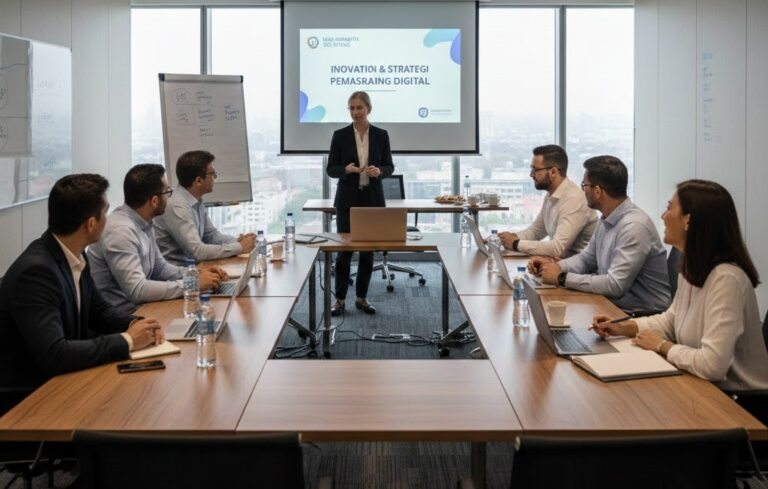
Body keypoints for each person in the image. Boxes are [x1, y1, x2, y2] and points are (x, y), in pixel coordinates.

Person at [592, 180, 768, 391]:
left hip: (738, 401)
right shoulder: (693, 266)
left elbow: (712, 365)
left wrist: (662, 345)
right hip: (703, 386)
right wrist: (623, 328)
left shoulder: (727, 279)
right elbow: (670, 321)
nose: (662, 216)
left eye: (669, 208)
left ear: (688, 221)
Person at [0, 174, 162, 394]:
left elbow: (99, 311)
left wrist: (137, 323)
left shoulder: (74, 252)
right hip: (31, 395)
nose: (109, 218)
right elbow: (55, 354)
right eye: (106, 212)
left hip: (67, 378)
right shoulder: (36, 272)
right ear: (91, 224)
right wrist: (128, 340)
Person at [529, 156, 670, 315]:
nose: (583, 191)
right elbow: (586, 259)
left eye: (584, 185)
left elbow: (615, 285)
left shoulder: (634, 226)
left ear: (597, 191)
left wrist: (561, 277)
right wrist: (554, 267)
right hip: (613, 307)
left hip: (641, 316)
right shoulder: (606, 219)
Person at [89, 164, 226, 315]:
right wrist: (192, 284)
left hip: (143, 309)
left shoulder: (144, 221)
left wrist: (196, 274)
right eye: (167, 192)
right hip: (124, 319)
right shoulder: (120, 232)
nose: (169, 197)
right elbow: (137, 290)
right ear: (154, 201)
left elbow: (160, 268)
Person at [326, 91, 394, 316]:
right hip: (347, 200)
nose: (355, 112)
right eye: (352, 108)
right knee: (344, 252)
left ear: (368, 109)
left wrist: (379, 172)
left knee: (367, 252)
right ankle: (339, 299)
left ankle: (362, 298)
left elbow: (389, 166)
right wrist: (345, 170)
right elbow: (331, 169)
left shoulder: (381, 135)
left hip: (372, 200)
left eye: (359, 108)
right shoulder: (340, 135)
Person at [154, 150, 256, 265]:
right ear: (198, 180)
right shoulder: (177, 206)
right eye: (213, 174)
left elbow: (211, 236)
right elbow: (197, 251)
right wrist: (240, 247)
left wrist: (238, 241)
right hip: (179, 272)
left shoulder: (195, 200)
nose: (215, 177)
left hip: (194, 268)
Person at [499, 144, 596, 257]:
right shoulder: (551, 195)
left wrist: (515, 243)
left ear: (553, 172)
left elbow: (557, 248)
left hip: (576, 266)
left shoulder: (574, 199)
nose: (531, 174)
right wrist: (505, 239)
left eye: (535, 170)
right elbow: (536, 231)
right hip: (559, 263)